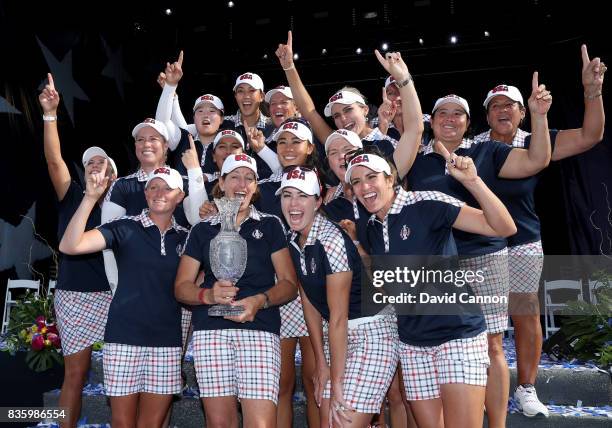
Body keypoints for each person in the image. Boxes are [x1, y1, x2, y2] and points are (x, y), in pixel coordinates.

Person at [405, 72, 552, 427]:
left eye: (458, 114)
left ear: (468, 123)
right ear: (432, 121)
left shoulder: (488, 151)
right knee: (442, 347)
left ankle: (497, 423)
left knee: (492, 346)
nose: (450, 119)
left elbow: (536, 160)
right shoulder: (417, 161)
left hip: (485, 257)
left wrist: (540, 116)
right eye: (443, 114)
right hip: (437, 268)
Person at [472, 44, 606, 417]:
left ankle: (526, 388)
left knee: (525, 312)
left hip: (522, 243)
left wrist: (592, 92)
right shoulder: (473, 148)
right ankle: (481, 387)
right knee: (482, 324)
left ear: (522, 111)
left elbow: (591, 135)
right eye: (495, 105)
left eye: (509, 104)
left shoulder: (535, 141)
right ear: (486, 115)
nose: (502, 110)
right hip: (480, 244)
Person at [344, 147, 516, 428]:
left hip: (456, 337)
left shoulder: (426, 202)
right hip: (413, 344)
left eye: (371, 177)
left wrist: (473, 181)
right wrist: (359, 248)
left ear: (390, 179)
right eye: (356, 182)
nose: (364, 187)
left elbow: (503, 227)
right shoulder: (372, 227)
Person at [59, 166, 189, 428]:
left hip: (166, 342)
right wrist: (90, 198)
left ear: (180, 197)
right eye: (153, 187)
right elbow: (70, 245)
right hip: (123, 340)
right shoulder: (124, 227)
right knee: (122, 423)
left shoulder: (187, 238)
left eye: (167, 187)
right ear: (145, 193)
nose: (159, 192)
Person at [174, 153, 298, 428]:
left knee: (261, 424)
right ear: (221, 182)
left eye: (249, 178)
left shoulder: (269, 224)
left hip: (259, 328)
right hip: (211, 329)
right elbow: (181, 287)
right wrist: (207, 295)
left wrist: (259, 301)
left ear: (255, 187)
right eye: (235, 177)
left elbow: (289, 284)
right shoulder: (202, 229)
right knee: (220, 424)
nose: (242, 184)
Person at [279, 166, 399, 428]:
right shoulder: (293, 238)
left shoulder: (331, 240)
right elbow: (309, 299)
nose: (294, 203)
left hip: (372, 334)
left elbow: (339, 317)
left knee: (339, 421)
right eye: (287, 195)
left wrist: (338, 385)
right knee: (329, 423)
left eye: (302, 196)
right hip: (340, 334)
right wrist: (320, 363)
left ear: (318, 201)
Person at [39, 73, 117, 428]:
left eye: (102, 164)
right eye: (90, 163)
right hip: (73, 296)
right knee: (76, 373)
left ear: (114, 176)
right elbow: (55, 160)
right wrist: (50, 114)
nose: (95, 167)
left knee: (120, 377)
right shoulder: (71, 193)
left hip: (114, 297)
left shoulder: (123, 203)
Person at [156, 52, 281, 178]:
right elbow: (181, 131)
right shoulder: (224, 123)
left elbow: (283, 167)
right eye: (240, 91)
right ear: (235, 96)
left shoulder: (273, 127)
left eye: (252, 90)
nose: (246, 96)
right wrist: (170, 92)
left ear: (262, 96)